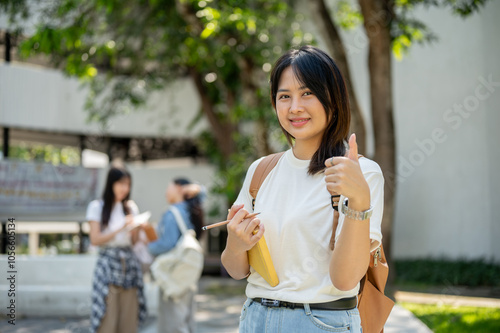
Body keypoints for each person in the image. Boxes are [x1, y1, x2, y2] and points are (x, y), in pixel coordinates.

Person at [221, 45, 384, 332]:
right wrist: (236, 242)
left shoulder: (360, 173)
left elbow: (345, 280)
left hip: (321, 322)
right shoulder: (261, 171)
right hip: (256, 319)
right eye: (284, 96)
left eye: (307, 93)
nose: (294, 107)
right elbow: (237, 270)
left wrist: (359, 200)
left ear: (332, 99)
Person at [86, 165, 147, 333]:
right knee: (107, 317)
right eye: (121, 183)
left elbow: (134, 243)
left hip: (130, 266)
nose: (124, 188)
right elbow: (95, 239)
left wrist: (137, 229)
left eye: (127, 184)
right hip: (108, 265)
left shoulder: (130, 208)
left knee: (129, 319)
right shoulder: (97, 207)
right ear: (111, 184)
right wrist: (121, 227)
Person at [146, 178, 204, 333]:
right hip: (187, 275)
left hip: (173, 275)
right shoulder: (189, 209)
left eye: (169, 187)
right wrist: (197, 188)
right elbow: (202, 193)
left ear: (179, 188)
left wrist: (148, 246)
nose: (166, 191)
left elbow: (167, 244)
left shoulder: (172, 213)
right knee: (187, 322)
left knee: (172, 324)